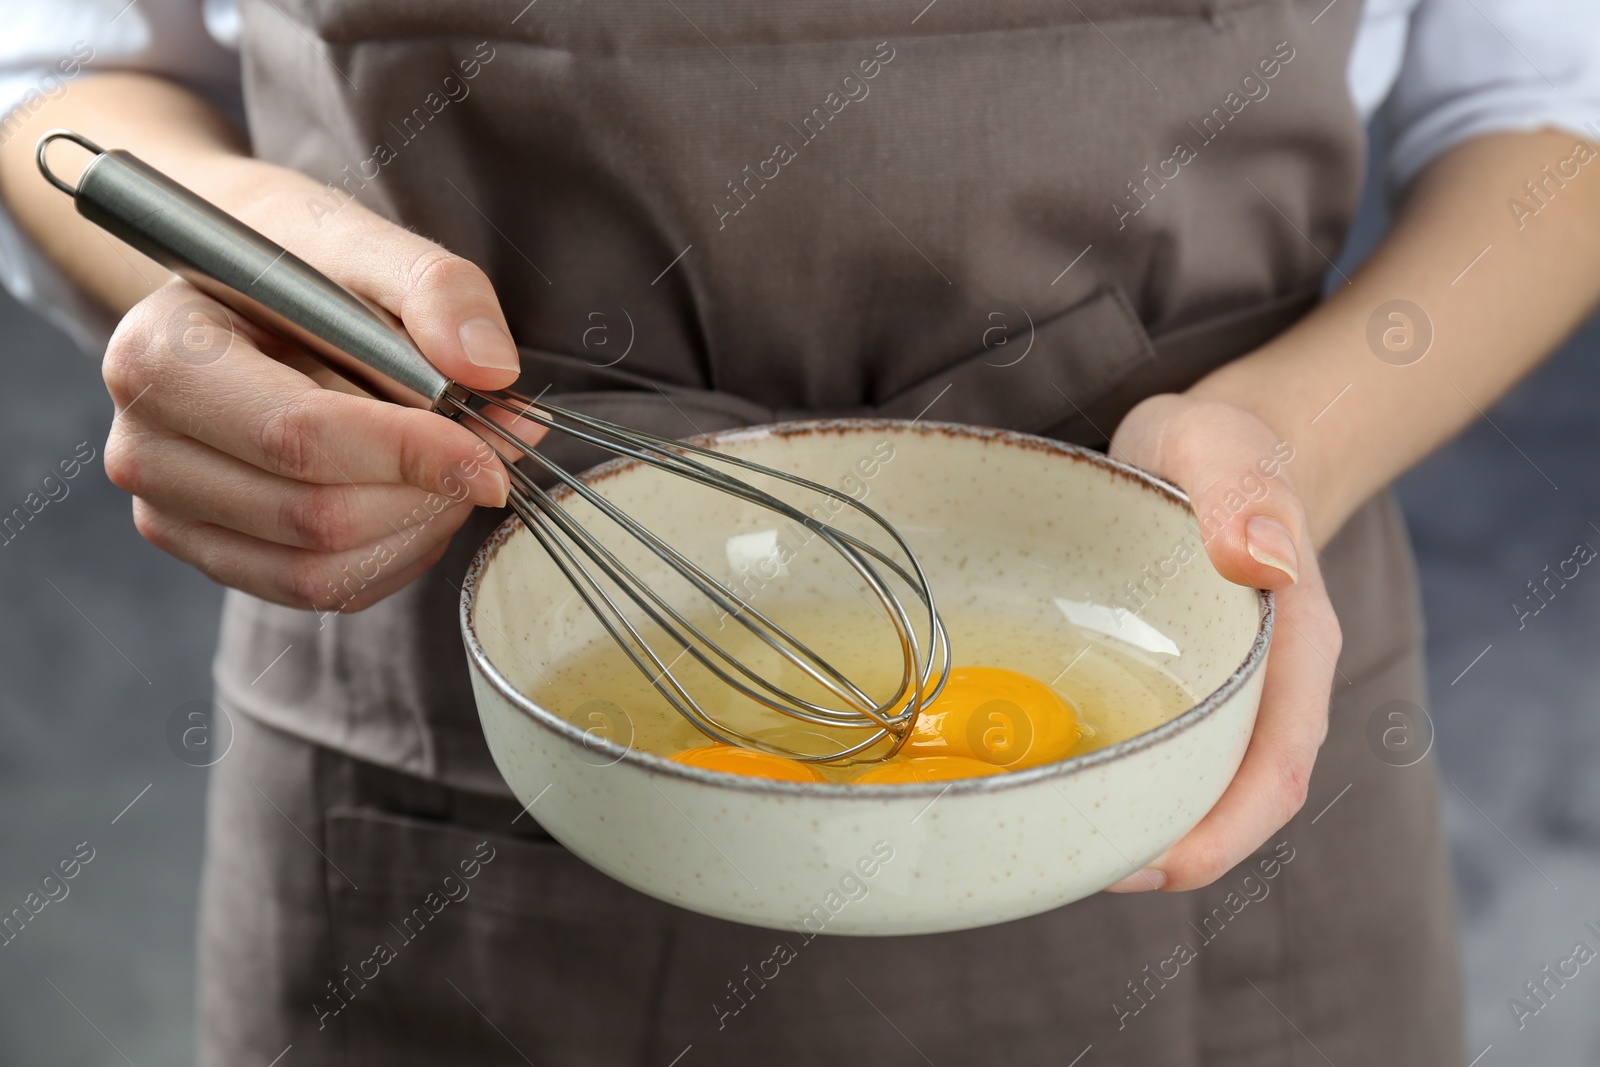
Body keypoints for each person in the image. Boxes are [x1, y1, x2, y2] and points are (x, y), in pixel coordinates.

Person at [2, 0, 1598, 1062]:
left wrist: (1287, 453)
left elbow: (1554, 105)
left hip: (1212, 694)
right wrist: (238, 310)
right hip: (437, 716)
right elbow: (56, 74)